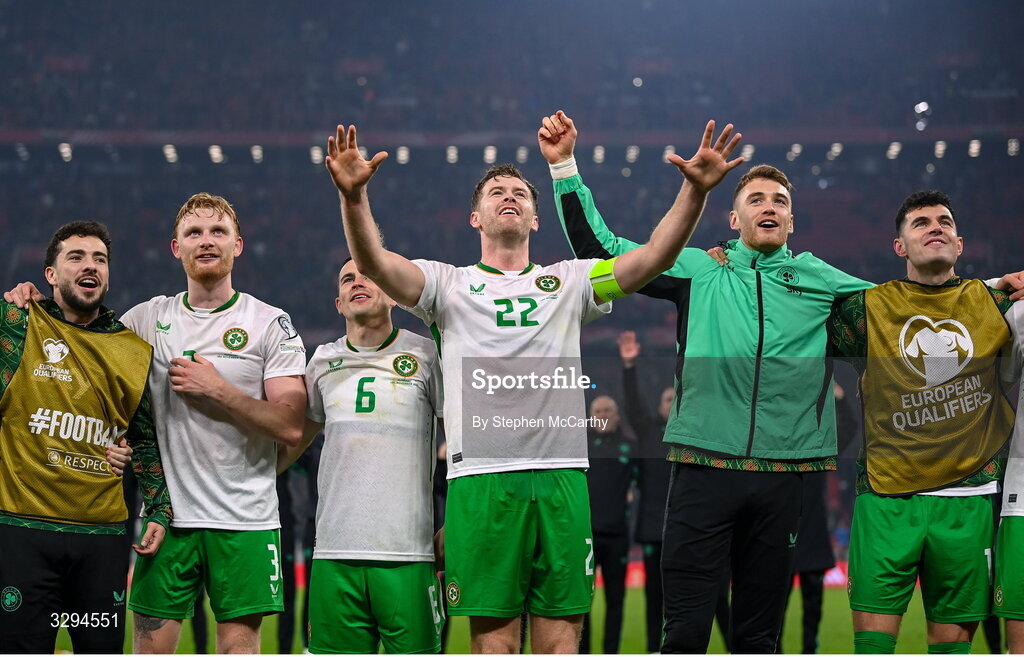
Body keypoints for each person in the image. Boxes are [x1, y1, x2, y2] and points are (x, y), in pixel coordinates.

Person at [323, 113, 743, 653]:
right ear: (474, 218)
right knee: (493, 646)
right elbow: (375, 264)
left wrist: (694, 192)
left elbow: (652, 258)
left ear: (536, 218)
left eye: (520, 192)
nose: (509, 196)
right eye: (496, 191)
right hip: (482, 481)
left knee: (560, 644)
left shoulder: (569, 280)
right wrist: (354, 200)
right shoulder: (447, 286)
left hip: (562, 479)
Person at [548, 108, 874, 652]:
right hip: (702, 469)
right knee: (686, 633)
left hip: (783, 476)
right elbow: (600, 249)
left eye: (780, 202)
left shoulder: (822, 279)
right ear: (733, 219)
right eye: (757, 199)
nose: (769, 207)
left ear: (792, 222)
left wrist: (993, 291)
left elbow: (909, 311)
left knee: (758, 638)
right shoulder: (698, 269)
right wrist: (564, 167)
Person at [828, 190, 1018, 654]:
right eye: (920, 223)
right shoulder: (866, 307)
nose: (935, 227)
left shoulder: (996, 303)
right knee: (872, 648)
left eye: (945, 222)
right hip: (886, 498)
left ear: (960, 243)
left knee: (952, 649)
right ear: (900, 247)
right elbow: (792, 304)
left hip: (968, 499)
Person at [0, 221, 171, 654]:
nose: (89, 265)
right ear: (51, 274)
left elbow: (144, 440)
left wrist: (159, 509)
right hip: (22, 529)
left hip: (101, 539)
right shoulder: (16, 324)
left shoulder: (133, 351)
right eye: (75, 256)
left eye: (100, 259)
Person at [277, 258, 445, 654]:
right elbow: (291, 443)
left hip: (408, 552)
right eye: (347, 279)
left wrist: (457, 521)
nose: (357, 282)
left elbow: (462, 442)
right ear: (338, 303)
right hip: (334, 553)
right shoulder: (320, 361)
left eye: (367, 275)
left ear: (392, 294)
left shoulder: (427, 355)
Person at [616, 330, 732, 653]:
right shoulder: (648, 432)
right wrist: (629, 367)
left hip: (696, 530)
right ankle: (656, 649)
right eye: (666, 399)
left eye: (675, 398)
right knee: (654, 598)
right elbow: (633, 405)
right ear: (659, 408)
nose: (671, 402)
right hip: (656, 530)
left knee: (716, 597)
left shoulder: (695, 434)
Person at [579, 395, 634, 654]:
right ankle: (584, 652)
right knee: (582, 603)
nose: (601, 415)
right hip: (585, 537)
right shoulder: (580, 447)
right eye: (597, 411)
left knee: (616, 601)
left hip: (617, 535)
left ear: (617, 415)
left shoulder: (630, 447)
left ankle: (611, 653)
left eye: (606, 410)